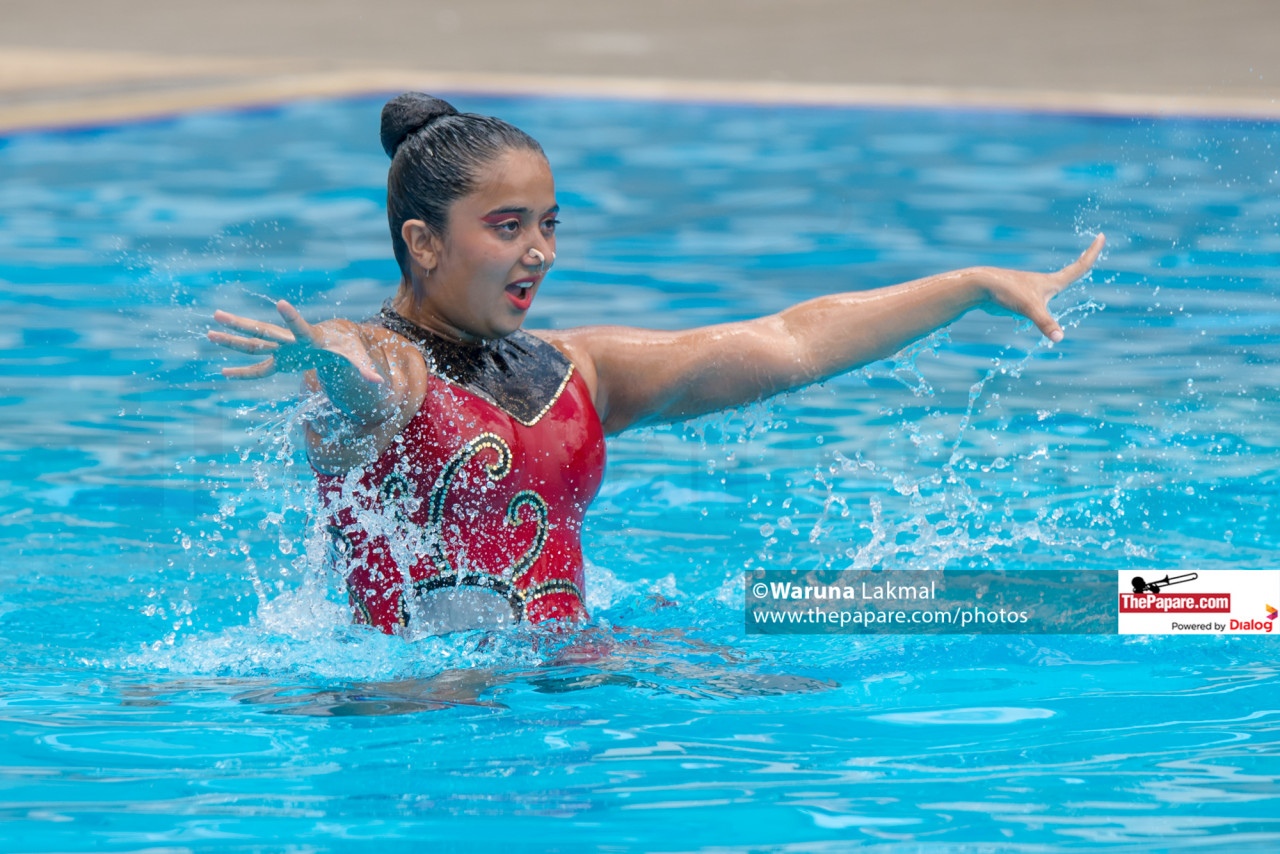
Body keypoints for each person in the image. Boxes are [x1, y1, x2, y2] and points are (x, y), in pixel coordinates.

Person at [209, 92, 1105, 637]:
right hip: (414, 715)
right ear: (424, 242)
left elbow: (790, 341)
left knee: (793, 671)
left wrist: (970, 285)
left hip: (565, 676)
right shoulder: (385, 364)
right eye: (507, 226)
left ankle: (1171, 602)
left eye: (550, 223)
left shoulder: (578, 370)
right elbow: (361, 376)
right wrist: (325, 362)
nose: (540, 252)